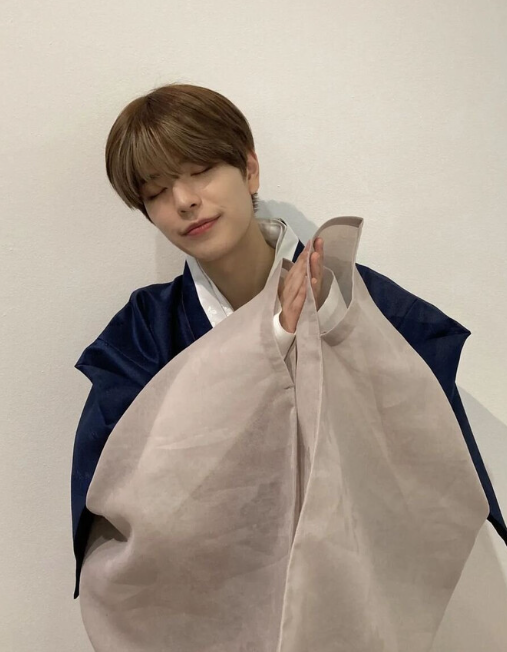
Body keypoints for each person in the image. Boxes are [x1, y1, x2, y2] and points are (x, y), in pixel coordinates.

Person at [71, 82, 506, 602]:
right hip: (219, 598)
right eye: (156, 192)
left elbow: (424, 445)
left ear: (250, 169)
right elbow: (121, 488)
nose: (184, 201)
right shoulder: (143, 335)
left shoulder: (352, 297)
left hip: (357, 587)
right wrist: (271, 341)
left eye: (200, 170)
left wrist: (335, 330)